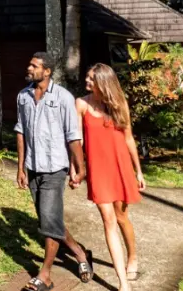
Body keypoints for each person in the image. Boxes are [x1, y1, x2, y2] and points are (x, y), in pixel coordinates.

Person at [14, 52, 93, 291]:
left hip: (54, 168)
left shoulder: (63, 98)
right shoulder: (23, 96)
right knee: (50, 219)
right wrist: (20, 167)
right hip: (33, 167)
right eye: (30, 64)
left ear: (47, 71)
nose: (29, 68)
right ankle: (80, 253)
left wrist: (80, 167)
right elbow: (21, 131)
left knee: (49, 222)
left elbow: (73, 135)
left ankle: (45, 276)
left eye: (34, 65)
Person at [77, 62, 145, 289]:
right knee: (108, 220)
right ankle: (123, 283)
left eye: (91, 79)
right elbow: (77, 142)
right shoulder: (82, 105)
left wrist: (139, 171)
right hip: (98, 170)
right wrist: (77, 167)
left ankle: (132, 256)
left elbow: (128, 139)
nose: (86, 82)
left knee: (122, 218)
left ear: (103, 83)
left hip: (120, 167)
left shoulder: (119, 104)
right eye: (87, 78)